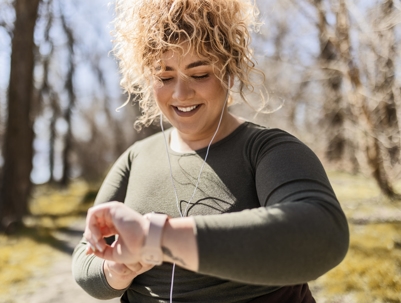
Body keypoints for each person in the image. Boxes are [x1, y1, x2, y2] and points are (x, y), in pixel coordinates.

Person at [72, 0, 350, 302]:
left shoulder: (268, 150)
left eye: (200, 73)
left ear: (229, 71)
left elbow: (323, 233)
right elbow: (85, 257)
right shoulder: (136, 157)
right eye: (164, 77)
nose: (180, 93)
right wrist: (116, 271)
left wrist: (157, 238)